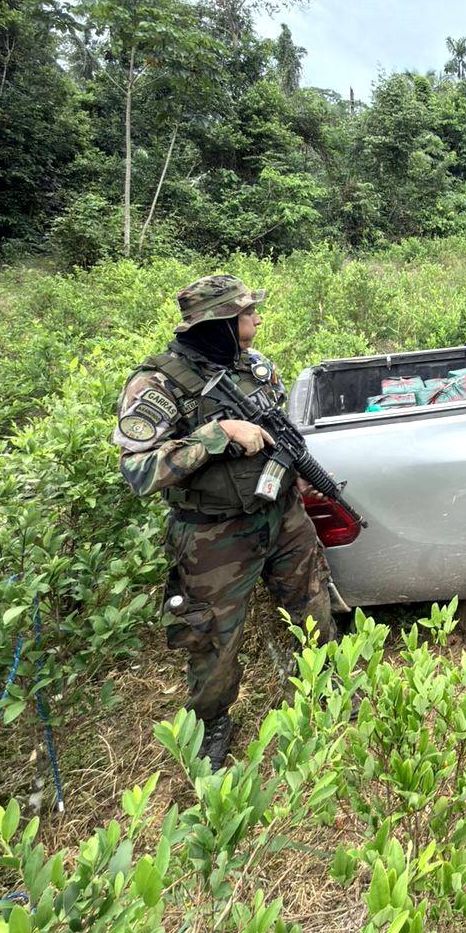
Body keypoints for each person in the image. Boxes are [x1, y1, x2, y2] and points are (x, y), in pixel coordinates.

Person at [112, 274, 337, 768]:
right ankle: (213, 723)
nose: (257, 318)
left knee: (312, 601)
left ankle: (327, 685)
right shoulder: (157, 383)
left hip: (281, 515)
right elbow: (138, 470)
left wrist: (298, 476)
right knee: (214, 637)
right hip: (212, 535)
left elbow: (280, 430)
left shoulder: (256, 366)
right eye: (247, 312)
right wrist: (216, 436)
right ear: (220, 323)